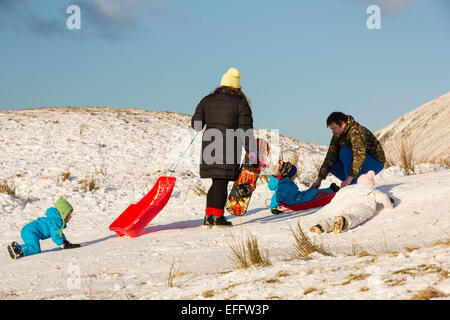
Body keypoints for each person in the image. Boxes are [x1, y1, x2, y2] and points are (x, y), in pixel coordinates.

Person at [191, 67, 257, 228]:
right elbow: (245, 130)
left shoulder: (207, 100)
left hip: (210, 146)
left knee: (216, 181)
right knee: (221, 182)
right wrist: (252, 151)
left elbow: (197, 125)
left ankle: (209, 216)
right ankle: (218, 217)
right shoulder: (240, 103)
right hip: (229, 146)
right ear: (237, 86)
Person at [311, 112, 386, 190]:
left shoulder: (355, 131)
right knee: (332, 164)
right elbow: (330, 157)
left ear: (343, 124)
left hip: (375, 162)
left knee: (345, 152)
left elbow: (359, 155)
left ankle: (351, 184)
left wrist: (349, 179)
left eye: (334, 128)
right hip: (359, 164)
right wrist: (318, 181)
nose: (332, 131)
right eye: (331, 129)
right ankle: (355, 182)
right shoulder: (337, 135)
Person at [309, 171, 394, 234]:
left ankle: (323, 225)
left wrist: (334, 204)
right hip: (363, 206)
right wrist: (389, 205)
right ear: (371, 184)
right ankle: (345, 221)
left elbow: (340, 194)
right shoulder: (370, 190)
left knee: (336, 216)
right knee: (356, 216)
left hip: (345, 204)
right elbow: (383, 197)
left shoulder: (350, 188)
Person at [7, 197, 80, 260]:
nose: (70, 217)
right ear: (64, 214)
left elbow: (59, 232)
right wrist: (63, 244)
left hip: (27, 230)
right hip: (31, 232)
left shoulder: (54, 220)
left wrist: (65, 241)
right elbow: (55, 234)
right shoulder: (56, 222)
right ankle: (18, 250)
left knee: (32, 245)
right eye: (69, 215)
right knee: (35, 249)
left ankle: (16, 247)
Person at [268, 161, 339, 214]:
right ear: (288, 175)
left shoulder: (286, 183)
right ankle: (331, 191)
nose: (296, 175)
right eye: (294, 174)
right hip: (294, 201)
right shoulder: (282, 185)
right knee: (311, 194)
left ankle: (330, 190)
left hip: (296, 197)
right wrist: (274, 208)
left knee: (310, 193)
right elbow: (276, 197)